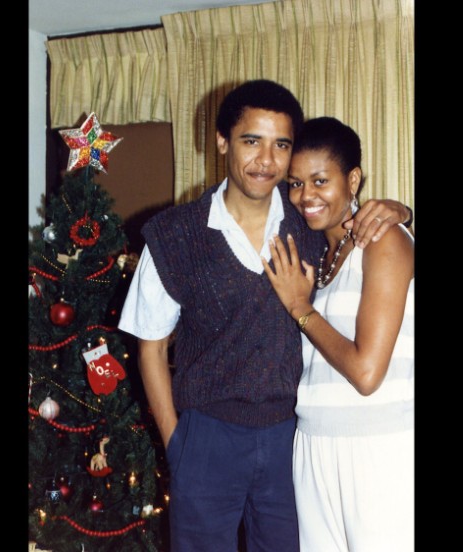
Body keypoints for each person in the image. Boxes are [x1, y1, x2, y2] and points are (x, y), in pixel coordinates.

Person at [118, 80, 411, 552]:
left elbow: (368, 231)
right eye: (251, 141)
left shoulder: (309, 221)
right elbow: (150, 346)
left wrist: (399, 210)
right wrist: (179, 445)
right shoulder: (176, 234)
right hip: (207, 436)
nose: (267, 161)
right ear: (221, 142)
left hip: (290, 440)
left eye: (281, 145)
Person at [262, 116, 414, 551]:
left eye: (320, 181)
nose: (305, 196)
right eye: (294, 183)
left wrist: (300, 308)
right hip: (313, 444)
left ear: (353, 179)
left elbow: (367, 373)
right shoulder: (318, 253)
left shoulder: (385, 242)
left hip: (378, 447)